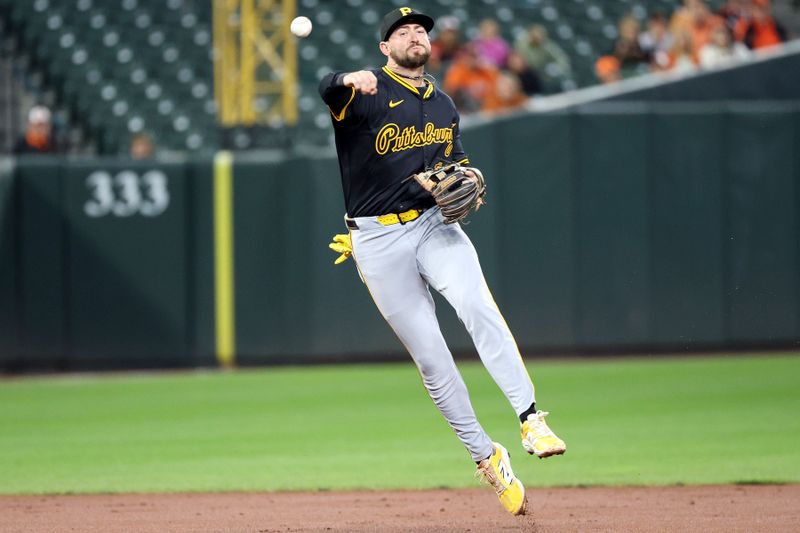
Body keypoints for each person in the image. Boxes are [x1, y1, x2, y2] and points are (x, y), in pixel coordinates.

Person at [318, 7, 566, 517]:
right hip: (377, 240)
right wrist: (347, 77)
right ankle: (487, 457)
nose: (415, 36)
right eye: (402, 31)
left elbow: (445, 165)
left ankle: (530, 416)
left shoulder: (444, 105)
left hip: (433, 226)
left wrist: (451, 177)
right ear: (385, 47)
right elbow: (326, 88)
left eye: (421, 30)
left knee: (477, 306)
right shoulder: (364, 95)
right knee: (433, 360)